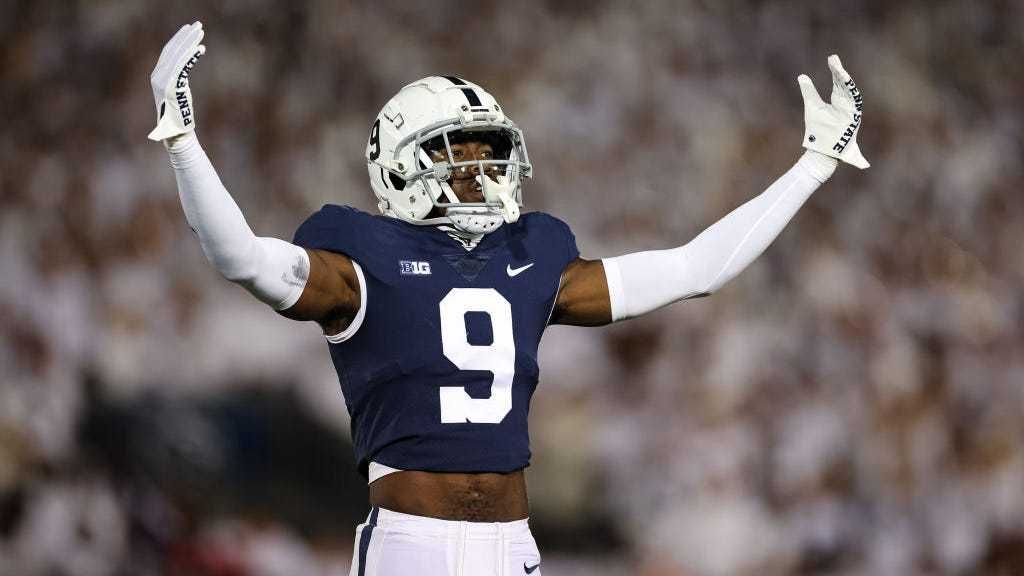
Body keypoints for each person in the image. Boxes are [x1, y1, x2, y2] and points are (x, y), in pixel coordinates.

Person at [147, 21, 869, 576]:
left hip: (513, 545)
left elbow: (694, 270)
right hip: (412, 545)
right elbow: (241, 257)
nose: (481, 169)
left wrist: (813, 164)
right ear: (398, 167)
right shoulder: (359, 256)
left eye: (487, 149)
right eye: (456, 153)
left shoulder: (532, 254)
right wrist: (182, 138)